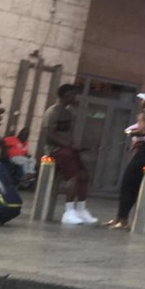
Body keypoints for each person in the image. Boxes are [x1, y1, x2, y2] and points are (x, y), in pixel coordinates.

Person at [106, 88, 145, 230]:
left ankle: (122, 219)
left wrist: (130, 132)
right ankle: (126, 219)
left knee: (128, 184)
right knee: (143, 187)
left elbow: (144, 131)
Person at [41, 84, 98, 225]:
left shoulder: (67, 112)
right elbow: (50, 134)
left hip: (68, 149)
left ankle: (81, 209)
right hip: (55, 150)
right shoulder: (52, 112)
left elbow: (66, 133)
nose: (75, 97)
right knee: (74, 176)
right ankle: (69, 211)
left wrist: (74, 146)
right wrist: (69, 145)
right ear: (66, 95)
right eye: (73, 94)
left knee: (84, 176)